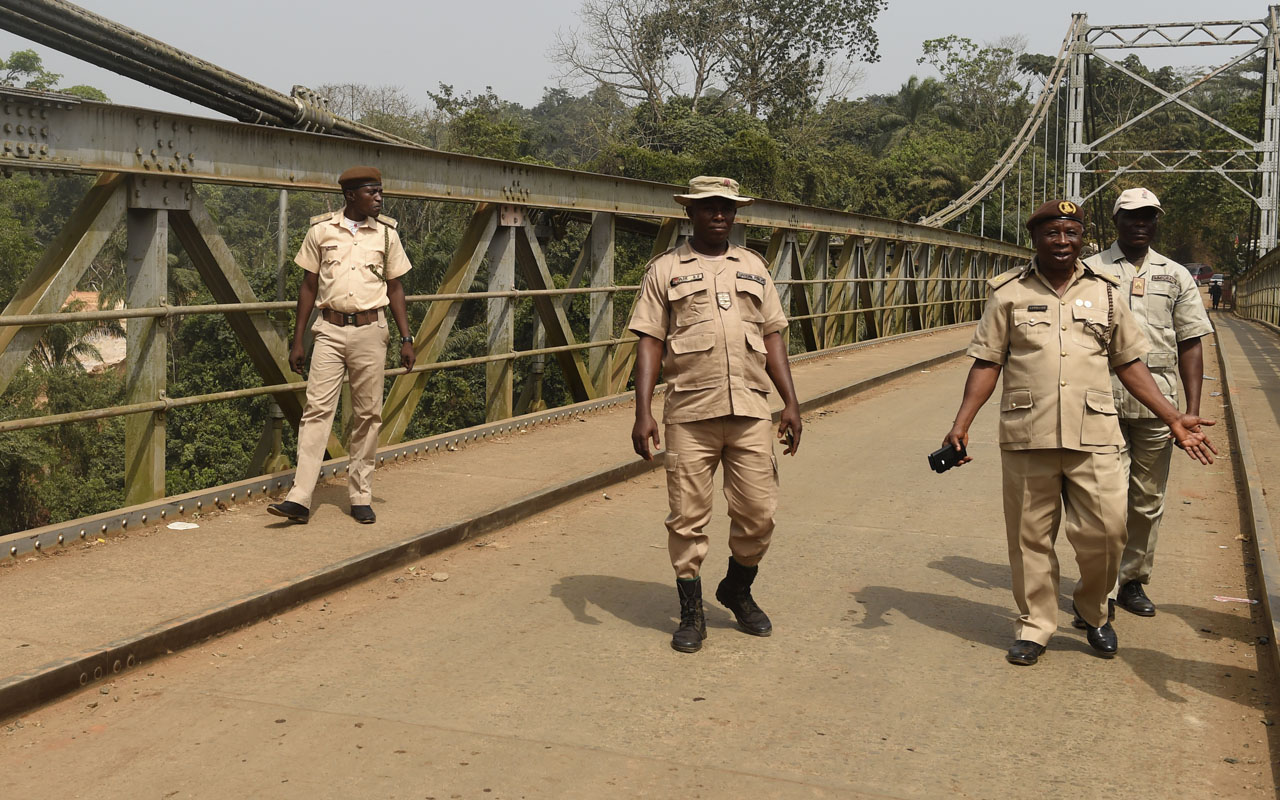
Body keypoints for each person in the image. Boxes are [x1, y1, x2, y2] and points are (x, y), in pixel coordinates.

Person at [942, 199, 1217, 667]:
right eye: (1053, 233)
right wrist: (960, 423)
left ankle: (1093, 612)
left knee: (1108, 531)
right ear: (1036, 239)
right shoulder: (1007, 293)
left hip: (1095, 434)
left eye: (1072, 233)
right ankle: (1035, 625)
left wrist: (1173, 417)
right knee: (1030, 538)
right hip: (1028, 433)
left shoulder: (1107, 293)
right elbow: (987, 362)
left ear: (1082, 238)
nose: (1063, 242)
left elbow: (1130, 363)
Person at [628, 175, 803, 654]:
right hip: (689, 410)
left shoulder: (753, 267)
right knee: (687, 517)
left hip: (750, 408)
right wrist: (642, 411)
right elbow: (649, 341)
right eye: (708, 207)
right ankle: (691, 611)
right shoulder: (665, 270)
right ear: (690, 213)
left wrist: (790, 401)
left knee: (759, 513)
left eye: (727, 207)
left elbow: (772, 337)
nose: (719, 214)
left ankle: (737, 589)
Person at [1084, 188, 1214, 618]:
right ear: (1115, 219)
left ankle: (1132, 581)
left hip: (1160, 406)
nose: (1140, 224)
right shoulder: (1087, 270)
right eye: (1132, 216)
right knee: (1105, 499)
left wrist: (1190, 411)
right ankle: (1098, 587)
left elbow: (1191, 340)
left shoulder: (1175, 275)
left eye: (1148, 217)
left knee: (1147, 498)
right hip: (1099, 396)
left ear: (1157, 222)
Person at [267, 166, 415, 525]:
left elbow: (395, 288)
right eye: (372, 192)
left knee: (367, 415)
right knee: (316, 411)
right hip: (329, 332)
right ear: (351, 196)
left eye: (381, 192)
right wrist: (298, 339)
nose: (379, 198)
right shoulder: (321, 231)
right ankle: (300, 498)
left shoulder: (386, 235)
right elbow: (308, 286)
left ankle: (360, 496)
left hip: (371, 331)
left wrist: (407, 338)